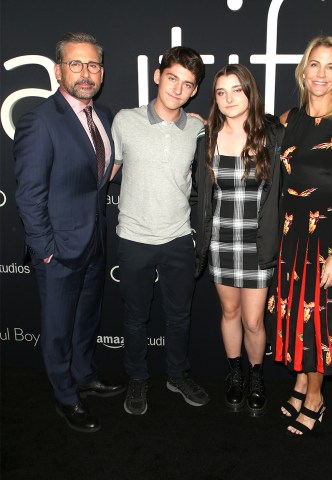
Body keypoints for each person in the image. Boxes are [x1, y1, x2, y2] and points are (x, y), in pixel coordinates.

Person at [14, 32, 125, 433]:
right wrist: (45, 250)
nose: (85, 72)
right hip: (58, 250)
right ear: (59, 69)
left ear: (102, 72)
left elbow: (104, 172)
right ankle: (65, 396)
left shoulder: (105, 116)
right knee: (59, 327)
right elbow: (28, 194)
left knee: (85, 319)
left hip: (95, 241)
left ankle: (84, 375)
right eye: (75, 64)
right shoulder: (40, 120)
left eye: (93, 64)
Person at [267, 35, 332, 435]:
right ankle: (299, 382)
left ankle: (315, 397)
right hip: (290, 233)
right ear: (303, 70)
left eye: (331, 67)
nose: (321, 74)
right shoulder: (289, 119)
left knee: (316, 321)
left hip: (323, 237)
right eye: (315, 65)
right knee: (293, 313)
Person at [111, 46, 209, 415]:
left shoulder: (199, 128)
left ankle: (177, 375)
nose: (177, 89)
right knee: (135, 317)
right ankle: (137, 380)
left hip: (179, 238)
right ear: (157, 76)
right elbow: (109, 171)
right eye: (172, 78)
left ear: (195, 90)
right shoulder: (124, 119)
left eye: (187, 84)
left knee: (179, 316)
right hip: (134, 237)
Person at [192, 64, 285, 416]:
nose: (229, 98)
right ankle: (235, 374)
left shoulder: (273, 134)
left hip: (259, 242)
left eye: (236, 90)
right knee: (229, 311)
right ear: (214, 98)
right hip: (220, 242)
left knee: (253, 321)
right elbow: (199, 193)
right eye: (220, 92)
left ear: (250, 92)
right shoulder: (207, 138)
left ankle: (256, 375)